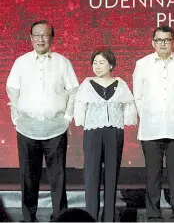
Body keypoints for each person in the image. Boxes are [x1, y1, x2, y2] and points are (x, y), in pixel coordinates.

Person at [6, 20, 79, 222]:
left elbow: (73, 91)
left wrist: (66, 118)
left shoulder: (62, 62)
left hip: (56, 129)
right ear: (30, 38)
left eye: (44, 35)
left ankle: (60, 216)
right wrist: (17, 117)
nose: (40, 39)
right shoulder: (21, 62)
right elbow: (12, 90)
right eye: (36, 35)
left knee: (58, 177)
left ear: (51, 38)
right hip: (27, 128)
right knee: (28, 177)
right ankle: (29, 218)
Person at [132, 26, 174, 222]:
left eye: (167, 40)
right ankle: (153, 215)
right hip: (151, 128)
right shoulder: (142, 64)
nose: (163, 44)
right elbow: (137, 95)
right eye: (159, 40)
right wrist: (148, 116)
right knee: (153, 175)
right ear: (152, 42)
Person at [74, 47, 137, 222]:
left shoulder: (120, 83)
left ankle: (109, 217)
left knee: (111, 176)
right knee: (92, 175)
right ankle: (91, 216)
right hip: (93, 133)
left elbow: (129, 106)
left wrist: (128, 119)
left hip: (114, 133)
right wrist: (79, 121)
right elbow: (80, 107)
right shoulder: (87, 84)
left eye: (101, 62)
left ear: (111, 64)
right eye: (94, 62)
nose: (97, 66)